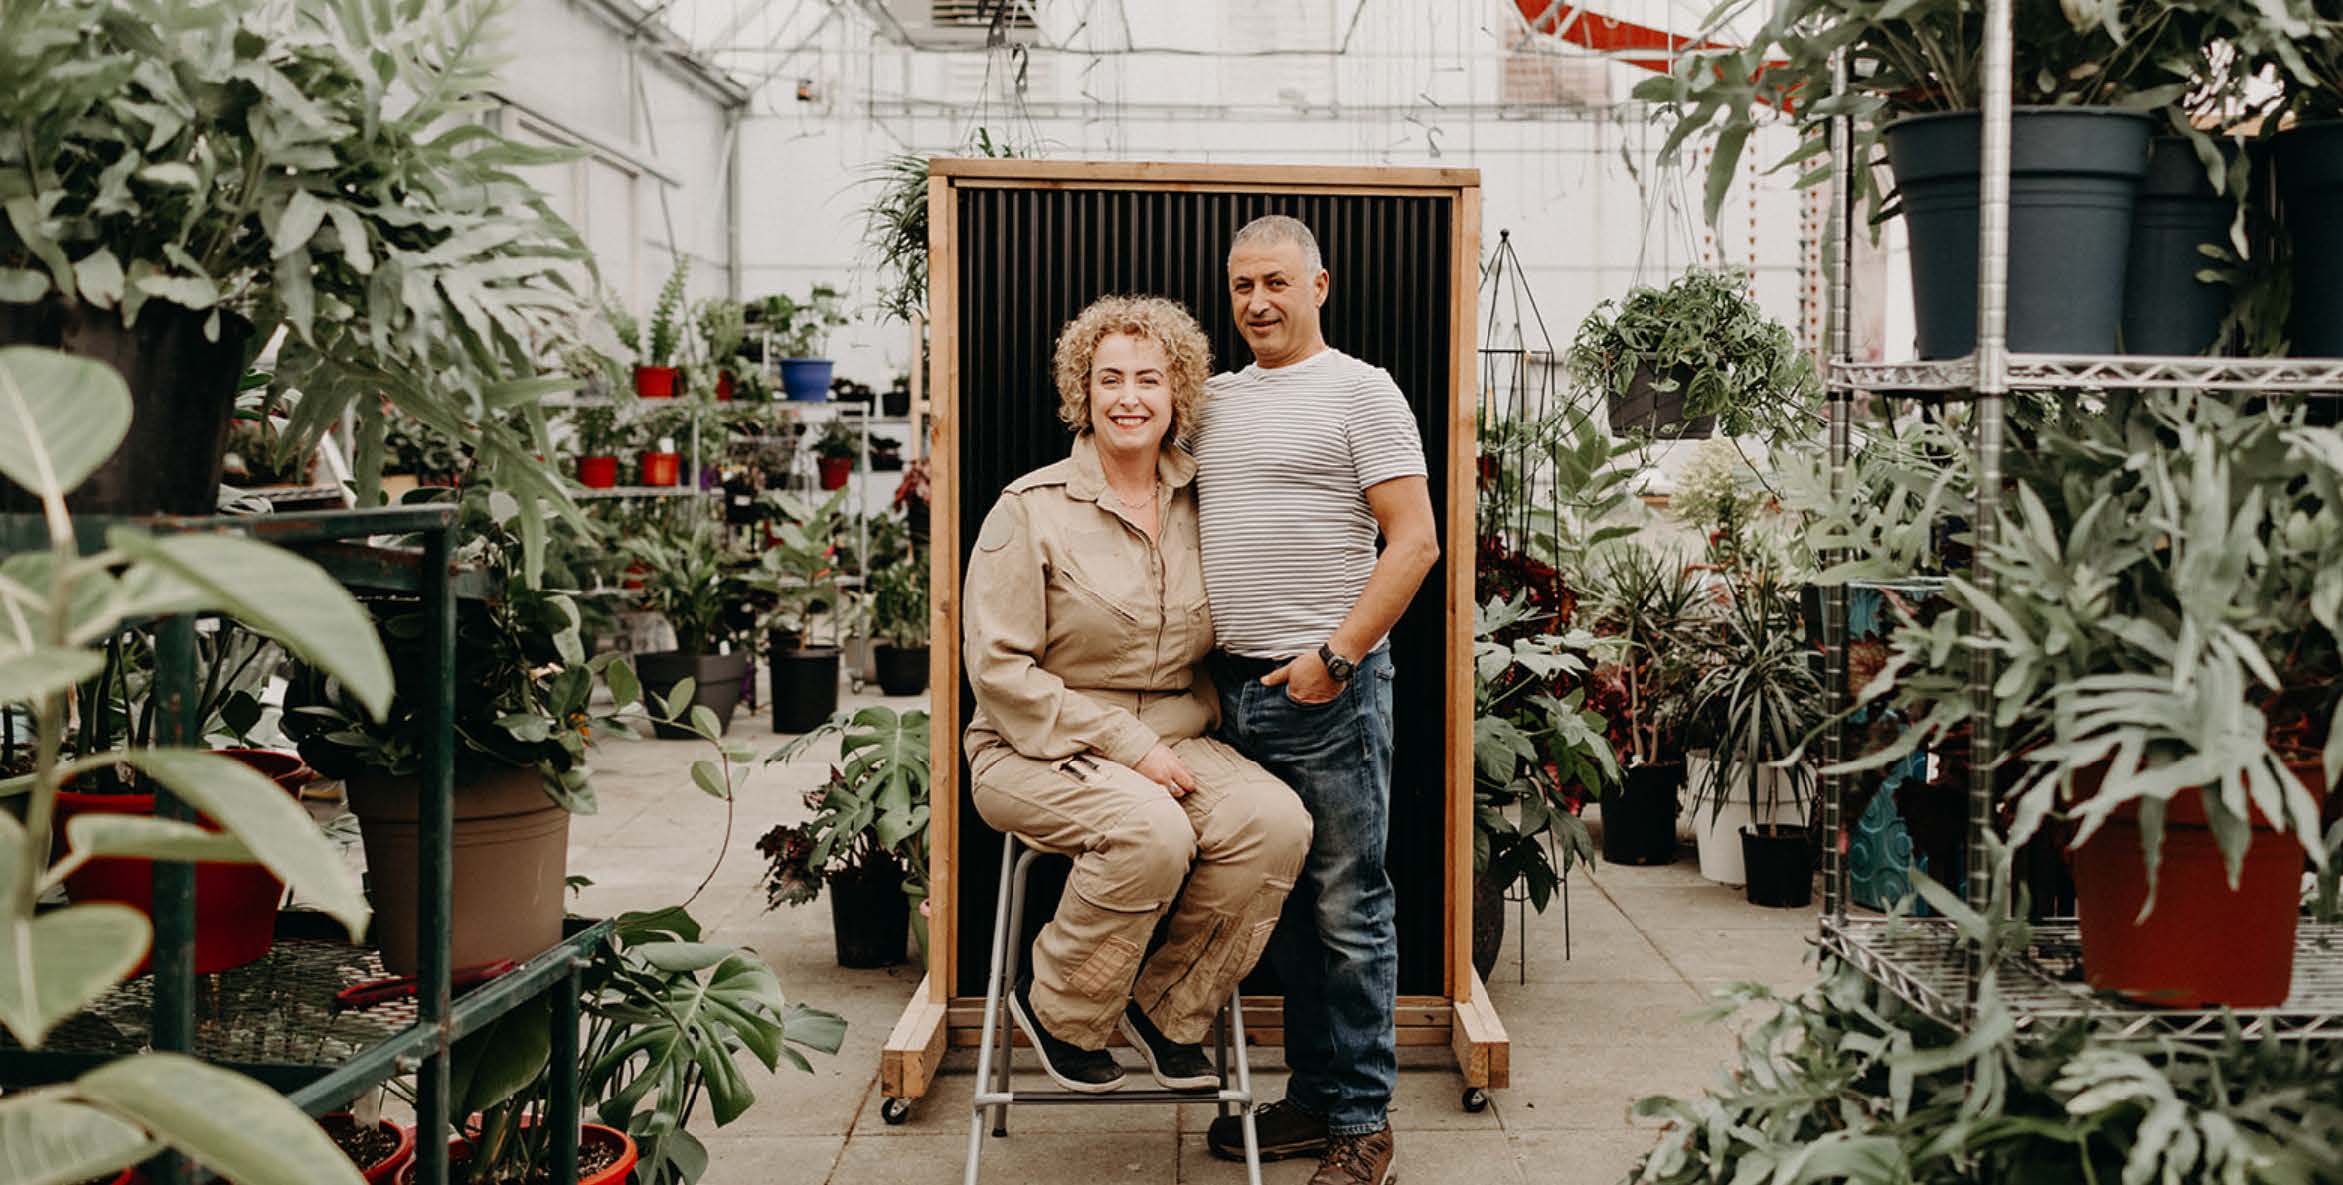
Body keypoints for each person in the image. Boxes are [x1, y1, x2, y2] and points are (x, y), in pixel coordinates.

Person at [963, 293, 1314, 1095]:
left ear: (1177, 394)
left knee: (1273, 822)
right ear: (1081, 393)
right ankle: (1059, 1009)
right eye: (1109, 378)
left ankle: (1166, 1008)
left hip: (1176, 736)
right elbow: (1000, 672)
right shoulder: (1030, 509)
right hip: (1033, 745)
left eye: (1149, 379)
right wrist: (1131, 748)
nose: (1129, 397)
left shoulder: (1206, 502)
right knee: (1148, 828)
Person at [1195, 215, 1439, 1185]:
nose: (1258, 301)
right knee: (1283, 905)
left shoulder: (1361, 392)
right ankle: (1311, 1098)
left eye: (1277, 283)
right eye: (1243, 285)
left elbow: (1414, 542)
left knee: (1348, 905)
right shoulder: (1209, 401)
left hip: (1330, 689)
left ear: (1320, 286)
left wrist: (1334, 658)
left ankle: (1364, 1122)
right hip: (1233, 695)